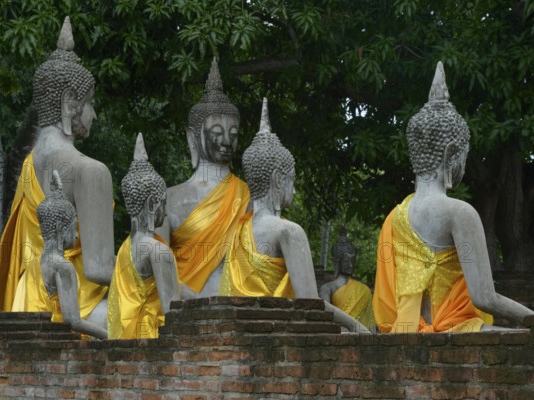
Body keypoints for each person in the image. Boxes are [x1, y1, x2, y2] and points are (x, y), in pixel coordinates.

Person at [373, 61, 534, 333]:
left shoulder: (395, 218)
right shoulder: (459, 213)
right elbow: (485, 297)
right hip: (456, 331)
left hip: (404, 334)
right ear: (450, 154)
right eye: (464, 155)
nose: (464, 163)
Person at [0, 17, 110, 326]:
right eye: (90, 103)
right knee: (158, 316)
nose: (94, 114)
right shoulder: (88, 169)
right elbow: (98, 270)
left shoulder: (29, 166)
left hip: (24, 302)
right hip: (75, 304)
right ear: (70, 103)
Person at [219, 98, 369, 333]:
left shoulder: (237, 231)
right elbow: (310, 304)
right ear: (279, 179)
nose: (295, 190)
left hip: (239, 335)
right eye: (292, 181)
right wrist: (357, 325)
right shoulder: (288, 231)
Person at [156, 58, 250, 298]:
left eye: (233, 134)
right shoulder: (168, 198)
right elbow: (156, 272)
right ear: (194, 137)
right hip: (183, 311)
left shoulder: (248, 197)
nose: (227, 141)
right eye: (217, 133)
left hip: (240, 308)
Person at [108, 134, 180, 339]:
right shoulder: (157, 251)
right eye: (163, 204)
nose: (165, 212)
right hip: (153, 340)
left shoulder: (126, 248)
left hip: (127, 342)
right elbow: (173, 313)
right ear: (150, 204)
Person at [37, 171, 107, 338]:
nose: (76, 235)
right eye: (73, 228)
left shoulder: (43, 259)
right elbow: (73, 320)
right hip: (65, 335)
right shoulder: (62, 266)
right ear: (62, 229)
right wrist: (110, 336)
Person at [319, 227, 375, 331]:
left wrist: (373, 338)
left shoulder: (364, 290)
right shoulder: (327, 288)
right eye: (346, 261)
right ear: (337, 262)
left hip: (361, 335)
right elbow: (325, 318)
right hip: (338, 333)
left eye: (352, 261)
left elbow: (370, 323)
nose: (350, 265)